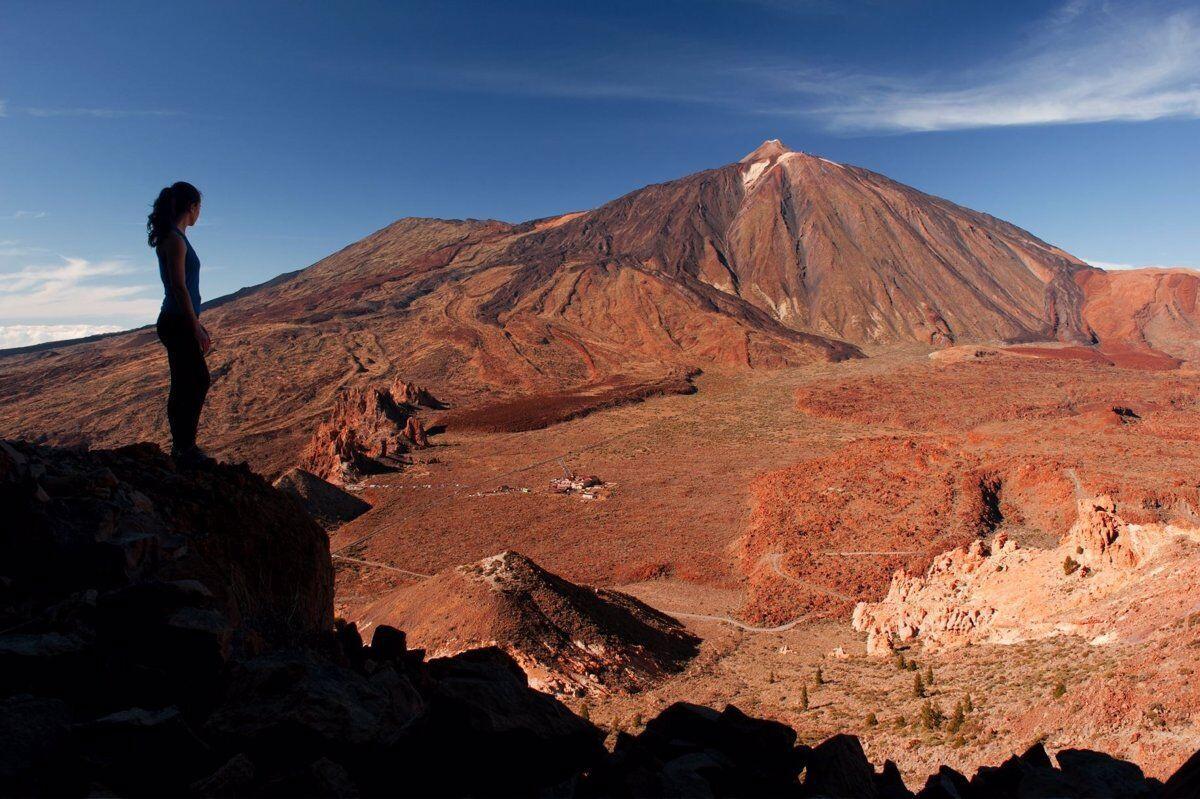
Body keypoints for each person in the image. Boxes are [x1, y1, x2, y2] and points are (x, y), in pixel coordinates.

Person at [148, 181, 213, 466]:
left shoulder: (176, 237)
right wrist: (194, 325)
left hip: (177, 320)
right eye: (199, 207)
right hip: (177, 320)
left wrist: (196, 322)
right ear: (192, 207)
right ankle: (185, 448)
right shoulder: (174, 239)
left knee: (186, 382)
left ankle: (183, 447)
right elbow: (178, 286)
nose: (200, 213)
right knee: (197, 380)